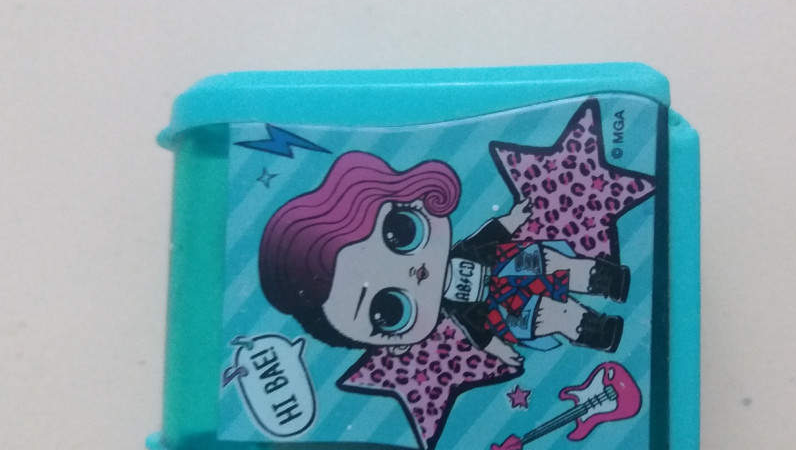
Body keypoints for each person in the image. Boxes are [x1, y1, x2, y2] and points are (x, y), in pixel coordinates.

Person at [258, 152, 629, 367]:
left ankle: (608, 280)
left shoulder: (464, 252)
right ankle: (595, 330)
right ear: (397, 345)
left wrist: (513, 219)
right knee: (554, 315)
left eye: (401, 231)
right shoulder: (459, 309)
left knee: (560, 266)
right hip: (504, 309)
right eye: (389, 310)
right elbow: (478, 334)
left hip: (510, 262)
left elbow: (488, 236)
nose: (414, 273)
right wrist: (500, 351)